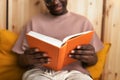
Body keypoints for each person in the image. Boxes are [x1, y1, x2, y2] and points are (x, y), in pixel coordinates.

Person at [12, 0, 103, 80]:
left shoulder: (83, 22)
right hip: (40, 73)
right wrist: (26, 59)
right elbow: (20, 62)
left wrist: (90, 57)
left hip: (74, 73)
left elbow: (94, 60)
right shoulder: (33, 22)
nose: (55, 2)